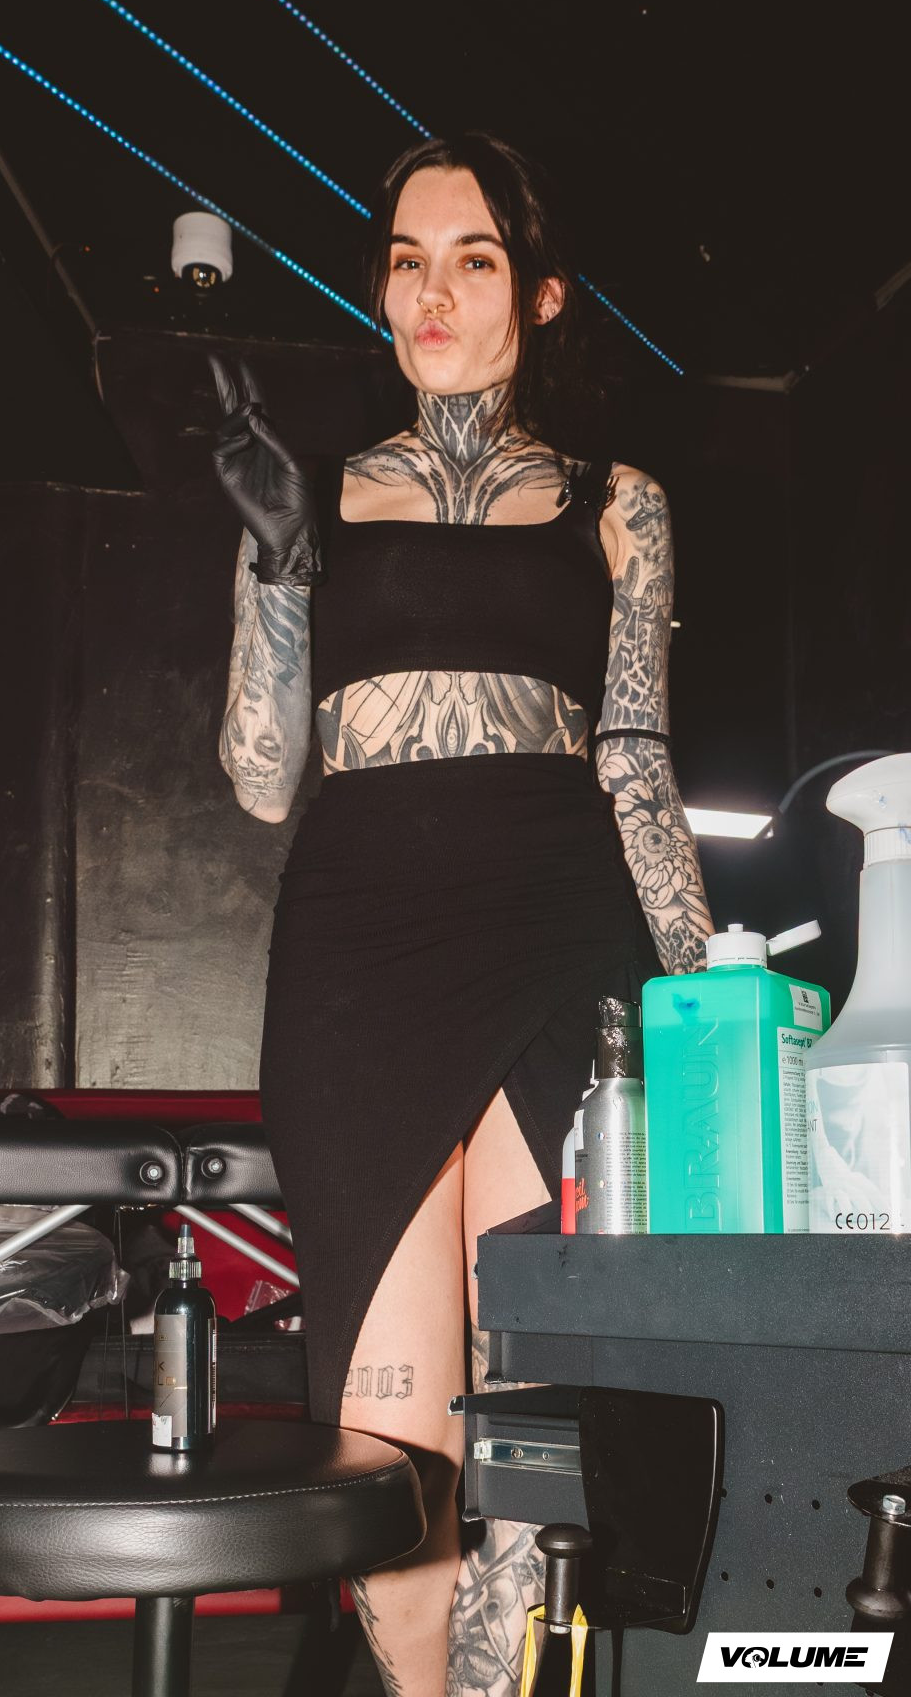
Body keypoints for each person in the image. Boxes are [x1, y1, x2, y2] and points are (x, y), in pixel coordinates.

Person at [212, 131, 714, 1697]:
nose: (433, 292)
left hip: (561, 935)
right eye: (407, 260)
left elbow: (636, 764)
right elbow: (259, 777)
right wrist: (278, 564)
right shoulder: (316, 497)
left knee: (532, 1425)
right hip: (363, 954)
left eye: (474, 259)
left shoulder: (619, 504)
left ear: (540, 293)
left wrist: (709, 999)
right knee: (385, 1444)